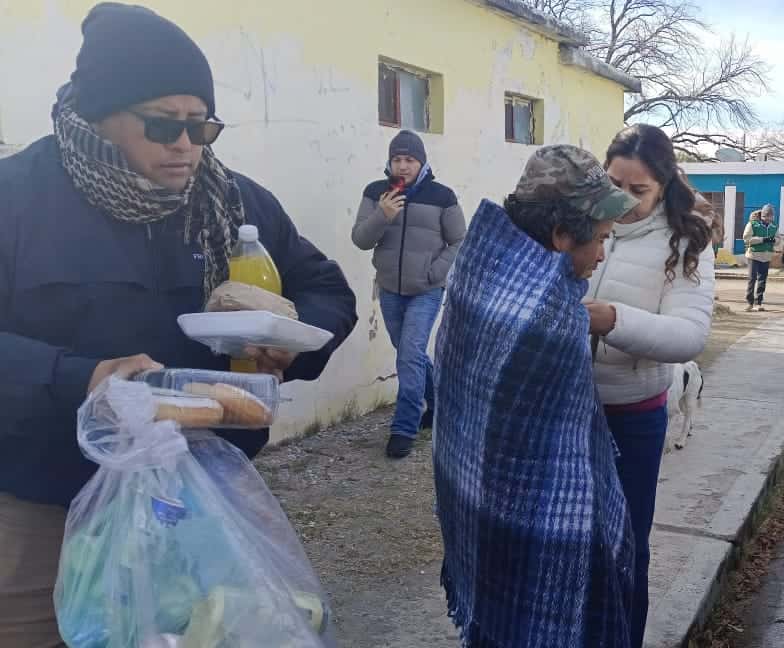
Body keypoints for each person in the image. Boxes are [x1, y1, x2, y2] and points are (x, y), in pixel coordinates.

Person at [0, 5, 358, 646]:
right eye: (164, 124)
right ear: (99, 114)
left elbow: (327, 289)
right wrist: (83, 378)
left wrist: (287, 341)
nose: (186, 145)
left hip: (199, 507)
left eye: (203, 126)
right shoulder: (16, 199)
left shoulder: (232, 199)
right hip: (42, 507)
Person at [434, 145, 637, 647]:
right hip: (538, 526)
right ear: (562, 235)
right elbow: (573, 453)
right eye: (601, 239)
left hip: (471, 502)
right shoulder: (550, 320)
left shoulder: (476, 272)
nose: (602, 254)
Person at [588, 124, 716, 647]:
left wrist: (613, 319)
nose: (622, 200)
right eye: (613, 183)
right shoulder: (585, 219)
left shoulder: (686, 241)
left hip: (630, 415)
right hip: (565, 408)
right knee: (564, 537)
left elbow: (689, 335)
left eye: (638, 191)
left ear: (664, 184)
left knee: (624, 545)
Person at [352, 130, 466, 459]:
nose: (403, 166)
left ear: (422, 162)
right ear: (389, 162)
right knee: (410, 354)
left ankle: (404, 427)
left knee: (408, 355)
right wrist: (382, 216)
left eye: (409, 160)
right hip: (389, 288)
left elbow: (460, 240)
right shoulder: (376, 193)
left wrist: (435, 273)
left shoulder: (441, 195)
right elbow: (360, 239)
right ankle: (439, 405)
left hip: (426, 291)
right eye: (397, 159)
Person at [743, 204, 778, 311]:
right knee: (752, 278)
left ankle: (759, 302)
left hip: (766, 256)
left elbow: (779, 238)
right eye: (766, 216)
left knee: (762, 279)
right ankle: (749, 302)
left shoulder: (774, 226)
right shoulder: (753, 224)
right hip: (754, 255)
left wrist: (774, 241)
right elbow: (746, 238)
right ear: (762, 216)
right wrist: (762, 239)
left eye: (770, 216)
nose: (768, 219)